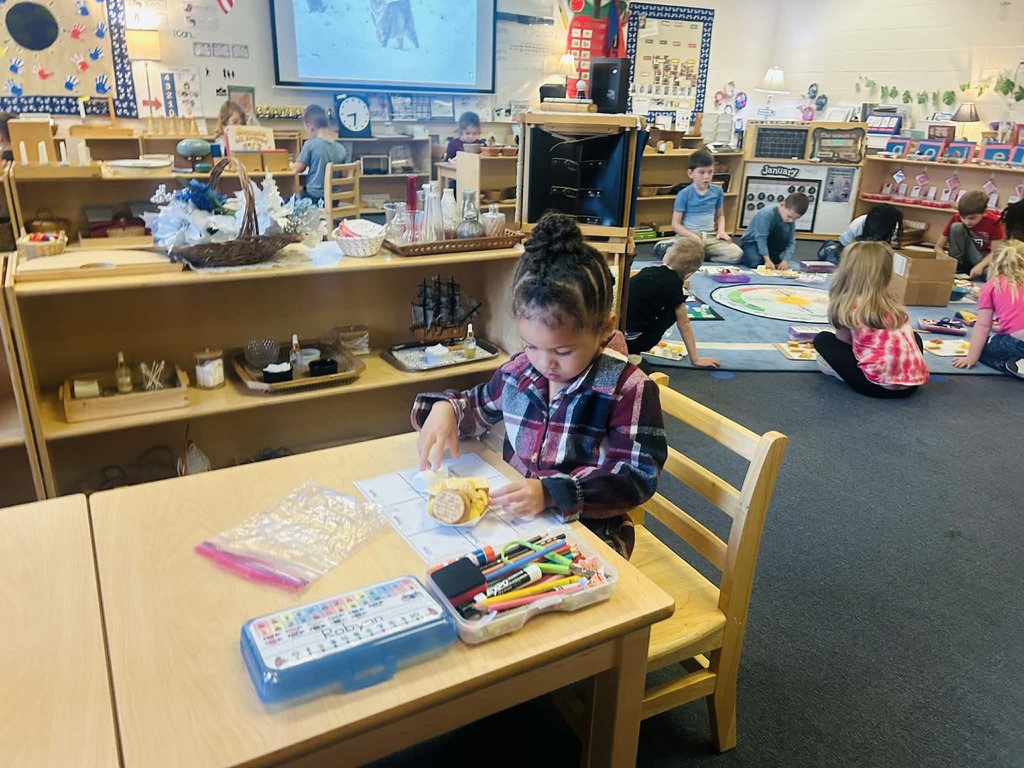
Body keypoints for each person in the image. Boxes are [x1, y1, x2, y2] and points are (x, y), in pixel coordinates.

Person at [411, 213, 668, 559]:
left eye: (562, 351)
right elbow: (476, 406)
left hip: (590, 532)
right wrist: (447, 409)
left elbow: (636, 478)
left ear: (604, 329)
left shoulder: (627, 388)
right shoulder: (520, 372)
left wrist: (551, 492)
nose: (545, 363)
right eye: (531, 345)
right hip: (518, 523)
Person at [812, 241, 929, 398]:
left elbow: (843, 342)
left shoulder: (847, 304)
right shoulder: (893, 302)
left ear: (846, 270)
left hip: (872, 386)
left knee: (823, 340)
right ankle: (903, 373)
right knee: (914, 337)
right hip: (912, 386)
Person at [625, 238, 721, 367]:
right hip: (635, 342)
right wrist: (695, 359)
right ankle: (633, 351)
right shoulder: (673, 286)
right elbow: (684, 323)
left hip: (614, 334)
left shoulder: (646, 270)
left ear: (665, 257)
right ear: (688, 275)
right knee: (675, 309)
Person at [951, 236, 1024, 376]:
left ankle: (1011, 365)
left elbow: (983, 326)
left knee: (986, 350)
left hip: (1017, 344)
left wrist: (972, 357)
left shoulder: (992, 285)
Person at [661, 150, 742, 264]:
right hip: (689, 236)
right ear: (690, 173)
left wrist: (721, 231)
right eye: (701, 172)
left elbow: (720, 216)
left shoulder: (717, 191)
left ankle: (704, 257)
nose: (706, 176)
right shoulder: (684, 194)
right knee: (676, 259)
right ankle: (669, 245)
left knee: (736, 255)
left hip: (710, 237)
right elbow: (675, 224)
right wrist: (693, 236)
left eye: (710, 172)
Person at [934, 190, 1005, 278]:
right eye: (963, 217)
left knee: (992, 275)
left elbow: (995, 252)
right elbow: (938, 247)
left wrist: (981, 266)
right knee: (957, 227)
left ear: (984, 212)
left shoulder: (994, 222)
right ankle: (957, 269)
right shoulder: (956, 218)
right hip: (960, 259)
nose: (967, 222)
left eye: (972, 218)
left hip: (981, 259)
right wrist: (945, 259)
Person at [290, 104, 349, 205]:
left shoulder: (310, 144)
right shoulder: (341, 148)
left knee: (292, 199)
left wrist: (289, 165)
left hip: (315, 198)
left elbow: (298, 169)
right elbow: (344, 175)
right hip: (334, 199)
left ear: (309, 126)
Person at [739, 192, 809, 270]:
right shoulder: (766, 214)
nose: (791, 220)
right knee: (754, 262)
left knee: (785, 228)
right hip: (752, 242)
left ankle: (770, 257)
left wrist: (785, 260)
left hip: (771, 243)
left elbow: (791, 241)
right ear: (782, 205)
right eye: (789, 216)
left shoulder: (790, 220)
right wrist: (767, 260)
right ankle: (755, 256)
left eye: (795, 218)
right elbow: (761, 238)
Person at [818, 204, 904, 263]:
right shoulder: (857, 225)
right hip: (849, 252)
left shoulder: (893, 229)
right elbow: (841, 249)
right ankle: (829, 248)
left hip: (868, 256)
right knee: (835, 264)